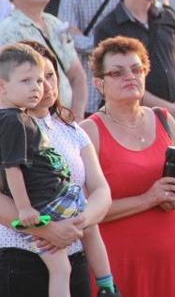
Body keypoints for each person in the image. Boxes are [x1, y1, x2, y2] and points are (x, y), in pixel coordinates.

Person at [80, 36, 175, 296]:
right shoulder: (89, 131)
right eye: (117, 72)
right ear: (99, 83)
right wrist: (149, 198)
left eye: (137, 70)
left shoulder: (163, 118)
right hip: (120, 258)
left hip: (173, 253)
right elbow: (85, 211)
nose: (130, 76)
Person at [0, 43, 118, 297]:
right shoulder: (9, 125)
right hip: (20, 256)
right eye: (28, 80)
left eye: (48, 77)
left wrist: (77, 224)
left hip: (75, 251)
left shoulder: (72, 130)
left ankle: (107, 284)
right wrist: (47, 231)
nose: (41, 86)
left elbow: (101, 191)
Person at [0, 0, 88, 121]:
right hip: (34, 124)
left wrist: (77, 117)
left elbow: (78, 76)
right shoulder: (7, 31)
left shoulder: (55, 24)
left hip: (66, 120)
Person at [58, 0, 121, 118]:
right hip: (86, 91)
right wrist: (115, 46)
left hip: (122, 89)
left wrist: (86, 40)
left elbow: (133, 38)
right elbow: (67, 40)